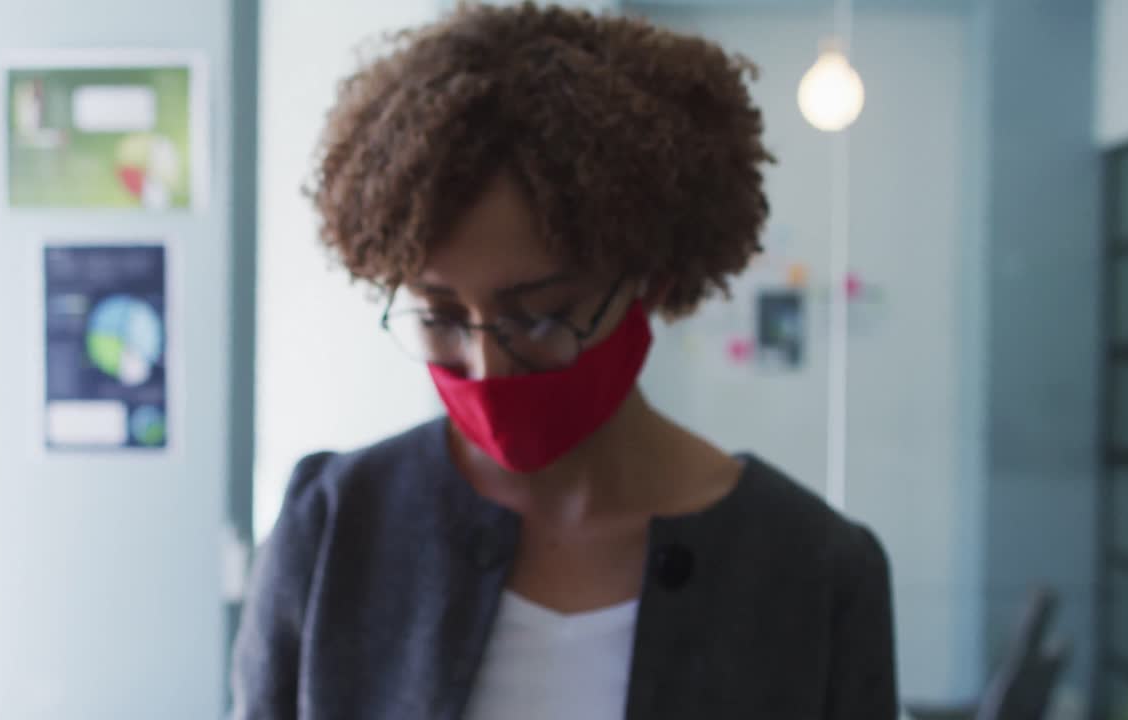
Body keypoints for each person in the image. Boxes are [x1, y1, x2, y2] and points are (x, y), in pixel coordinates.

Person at [231, 3, 897, 718]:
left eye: (540, 316)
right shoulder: (333, 526)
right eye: (442, 316)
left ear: (651, 281)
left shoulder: (814, 570)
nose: (487, 368)